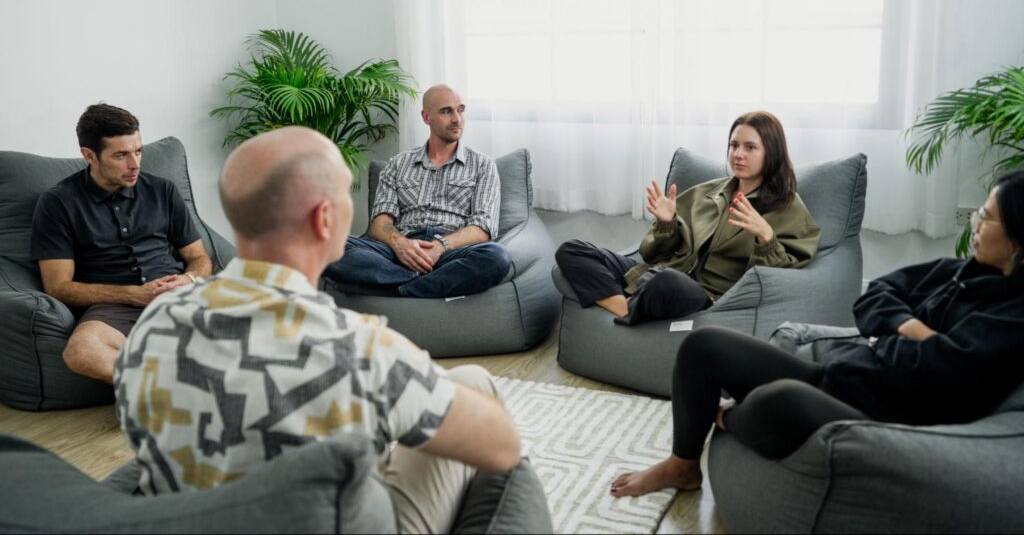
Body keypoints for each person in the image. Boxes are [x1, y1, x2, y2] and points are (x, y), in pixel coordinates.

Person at [114, 126, 522, 534]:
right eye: (344, 193)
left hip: (192, 518)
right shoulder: (359, 348)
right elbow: (504, 449)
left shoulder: (155, 320)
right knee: (475, 382)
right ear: (324, 218)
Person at [610, 169, 1024, 497]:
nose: (975, 224)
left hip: (882, 417)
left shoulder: (1012, 318)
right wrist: (917, 330)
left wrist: (905, 336)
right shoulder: (954, 272)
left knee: (780, 400)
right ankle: (683, 465)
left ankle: (728, 415)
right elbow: (873, 297)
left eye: (987, 217)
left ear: (1019, 240)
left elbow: (944, 374)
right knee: (704, 345)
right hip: (840, 375)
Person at [556, 111, 822, 325]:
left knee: (664, 281)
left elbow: (783, 279)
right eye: (734, 145)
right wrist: (666, 224)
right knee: (571, 250)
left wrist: (766, 238)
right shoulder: (705, 193)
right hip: (661, 274)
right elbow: (650, 254)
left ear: (771, 152)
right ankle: (626, 309)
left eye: (750, 147)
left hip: (705, 293)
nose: (738, 154)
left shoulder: (787, 206)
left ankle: (634, 302)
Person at [30, 103, 212, 384]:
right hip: (114, 307)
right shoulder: (58, 203)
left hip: (177, 295)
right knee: (81, 352)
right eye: (121, 155)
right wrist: (133, 295)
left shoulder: (163, 190)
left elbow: (199, 257)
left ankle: (165, 384)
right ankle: (171, 386)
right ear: (89, 155)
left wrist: (188, 280)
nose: (135, 164)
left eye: (138, 151)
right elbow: (58, 287)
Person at [324, 84, 511, 298]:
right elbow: (380, 223)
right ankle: (428, 283)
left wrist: (440, 246)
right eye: (446, 111)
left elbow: (482, 228)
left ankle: (398, 288)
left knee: (497, 257)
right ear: (426, 117)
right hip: (399, 250)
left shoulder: (483, 165)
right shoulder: (397, 164)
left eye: (460, 110)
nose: (457, 119)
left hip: (451, 252)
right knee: (328, 245)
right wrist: (402, 245)